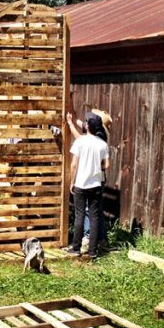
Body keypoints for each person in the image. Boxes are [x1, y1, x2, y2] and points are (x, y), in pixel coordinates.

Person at [66, 111, 109, 259]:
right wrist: (96, 167)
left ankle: (76, 248)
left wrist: (72, 182)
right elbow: (107, 165)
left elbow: (73, 165)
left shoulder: (80, 142)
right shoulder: (103, 144)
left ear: (87, 126)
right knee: (94, 217)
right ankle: (92, 251)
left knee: (79, 216)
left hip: (80, 184)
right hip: (95, 185)